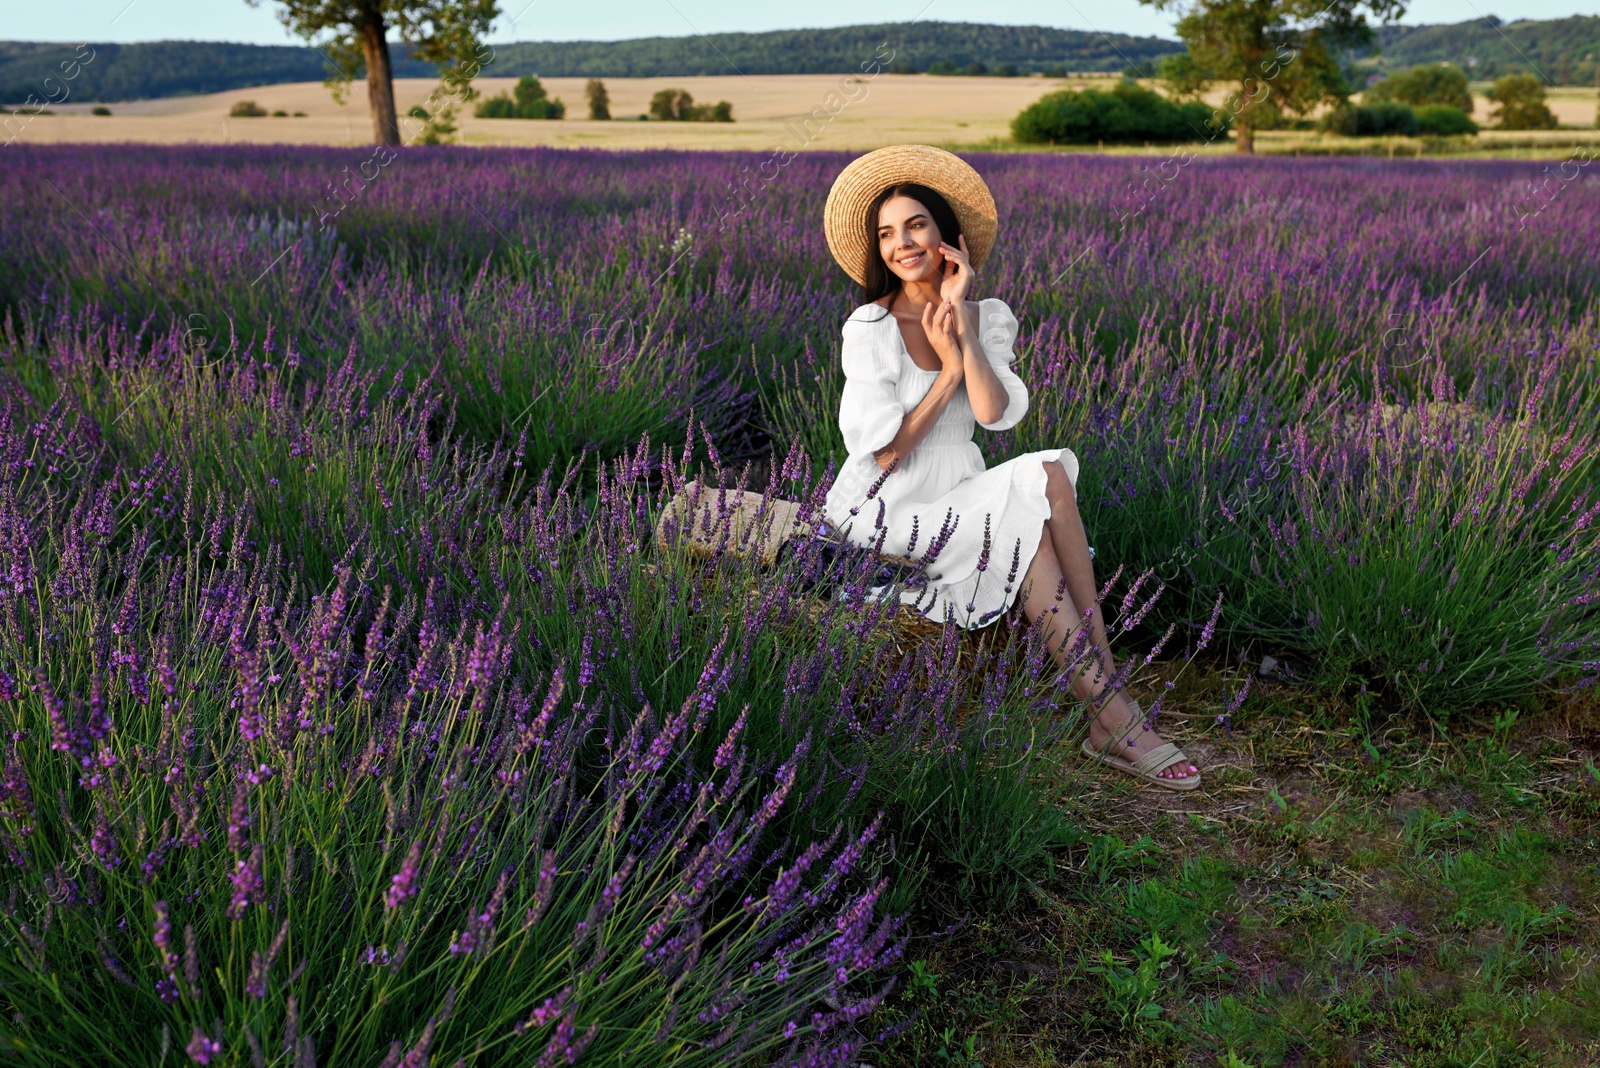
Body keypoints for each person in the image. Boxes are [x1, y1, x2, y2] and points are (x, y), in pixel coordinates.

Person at [819, 144, 1200, 790]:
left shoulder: (988, 317)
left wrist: (963, 330)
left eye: (915, 224)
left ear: (947, 234)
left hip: (955, 490)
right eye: (885, 233)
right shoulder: (871, 325)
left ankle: (1106, 692)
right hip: (884, 506)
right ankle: (1111, 712)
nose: (901, 243)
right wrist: (941, 376)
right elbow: (883, 452)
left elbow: (997, 415)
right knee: (1020, 512)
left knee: (1047, 473)